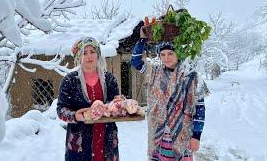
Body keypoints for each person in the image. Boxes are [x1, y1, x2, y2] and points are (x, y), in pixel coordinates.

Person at [131, 27, 209, 160]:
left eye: (170, 53)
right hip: (160, 135)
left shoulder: (192, 77)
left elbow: (200, 108)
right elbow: (136, 62)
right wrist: (142, 39)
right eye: (163, 54)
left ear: (178, 53)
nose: (166, 58)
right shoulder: (155, 73)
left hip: (182, 135)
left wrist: (196, 136)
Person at [57, 37, 120, 161]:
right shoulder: (70, 80)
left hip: (106, 137)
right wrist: (75, 116)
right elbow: (61, 110)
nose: (89, 56)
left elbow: (115, 105)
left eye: (92, 51)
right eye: (84, 53)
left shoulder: (109, 79)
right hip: (79, 141)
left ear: (98, 54)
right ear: (78, 57)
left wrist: (118, 104)